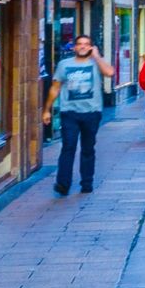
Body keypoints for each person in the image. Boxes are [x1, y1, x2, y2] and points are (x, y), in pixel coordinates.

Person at [43, 35, 115, 196]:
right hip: (70, 113)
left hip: (92, 113)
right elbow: (55, 88)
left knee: (88, 148)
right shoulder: (64, 65)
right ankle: (63, 184)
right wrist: (47, 109)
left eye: (86, 44)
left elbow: (110, 72)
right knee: (68, 147)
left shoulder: (96, 63)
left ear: (90, 47)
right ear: (74, 47)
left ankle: (87, 183)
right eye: (79, 44)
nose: (82, 47)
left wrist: (97, 56)